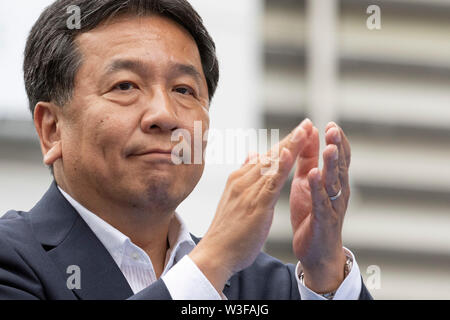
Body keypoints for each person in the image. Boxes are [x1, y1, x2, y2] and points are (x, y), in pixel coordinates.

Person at [0, 0, 371, 300]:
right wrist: (211, 263)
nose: (164, 115)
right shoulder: (13, 261)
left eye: (183, 90)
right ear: (51, 130)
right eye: (126, 85)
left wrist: (325, 269)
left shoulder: (266, 285)